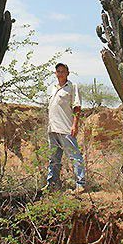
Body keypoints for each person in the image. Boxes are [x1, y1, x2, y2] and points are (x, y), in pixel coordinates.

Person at [45, 62, 86, 192]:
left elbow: (77, 107)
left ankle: (80, 184)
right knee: (53, 159)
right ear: (55, 73)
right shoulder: (53, 88)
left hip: (65, 128)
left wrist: (75, 125)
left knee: (74, 156)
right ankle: (52, 184)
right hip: (53, 129)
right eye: (58, 71)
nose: (60, 73)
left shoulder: (72, 87)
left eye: (63, 71)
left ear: (67, 73)